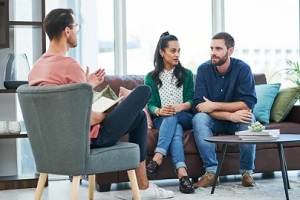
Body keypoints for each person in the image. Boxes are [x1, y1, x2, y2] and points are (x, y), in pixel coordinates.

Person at [28, 8, 174, 199]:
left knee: (138, 117)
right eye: (76, 26)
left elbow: (64, 108)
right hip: (88, 140)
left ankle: (144, 187)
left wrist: (86, 86)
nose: (77, 31)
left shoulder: (36, 68)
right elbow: (87, 118)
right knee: (143, 91)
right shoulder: (70, 66)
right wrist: (115, 108)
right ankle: (144, 187)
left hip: (56, 145)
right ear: (67, 31)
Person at [192, 32, 257, 188]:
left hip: (238, 119)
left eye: (219, 48)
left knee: (248, 118)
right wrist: (229, 115)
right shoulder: (203, 70)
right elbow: (199, 105)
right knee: (199, 119)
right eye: (212, 48)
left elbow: (248, 103)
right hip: (216, 120)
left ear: (230, 51)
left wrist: (214, 105)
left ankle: (247, 172)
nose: (213, 52)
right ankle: (211, 173)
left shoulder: (243, 69)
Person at [144, 32, 195, 194]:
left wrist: (180, 107)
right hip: (162, 119)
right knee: (176, 130)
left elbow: (192, 101)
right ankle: (182, 174)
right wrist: (158, 110)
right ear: (161, 52)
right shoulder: (150, 77)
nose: (177, 55)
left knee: (173, 116)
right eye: (173, 51)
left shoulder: (186, 74)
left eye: (179, 51)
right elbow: (151, 103)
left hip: (184, 116)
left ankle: (158, 157)